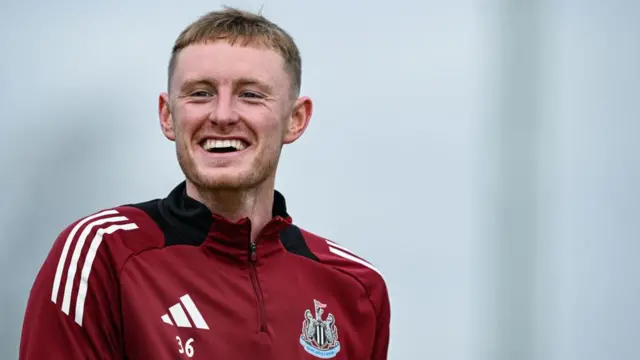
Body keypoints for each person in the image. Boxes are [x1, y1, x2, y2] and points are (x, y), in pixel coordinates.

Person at [19, 7, 390, 360]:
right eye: (200, 93)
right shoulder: (102, 254)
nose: (223, 115)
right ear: (167, 116)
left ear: (295, 119)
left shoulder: (356, 288)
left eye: (250, 94)